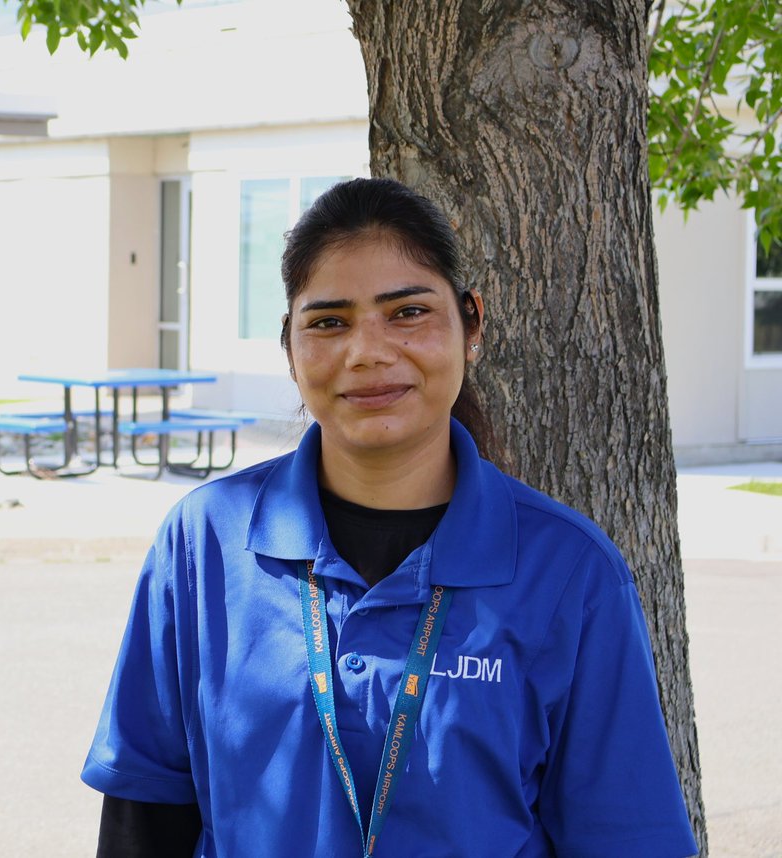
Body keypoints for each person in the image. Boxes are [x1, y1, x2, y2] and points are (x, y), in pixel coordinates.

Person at [81, 178, 698, 857]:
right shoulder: (205, 543)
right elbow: (144, 819)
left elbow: (626, 838)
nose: (368, 351)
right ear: (290, 348)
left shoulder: (570, 571)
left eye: (406, 312)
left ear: (473, 326)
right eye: (328, 322)